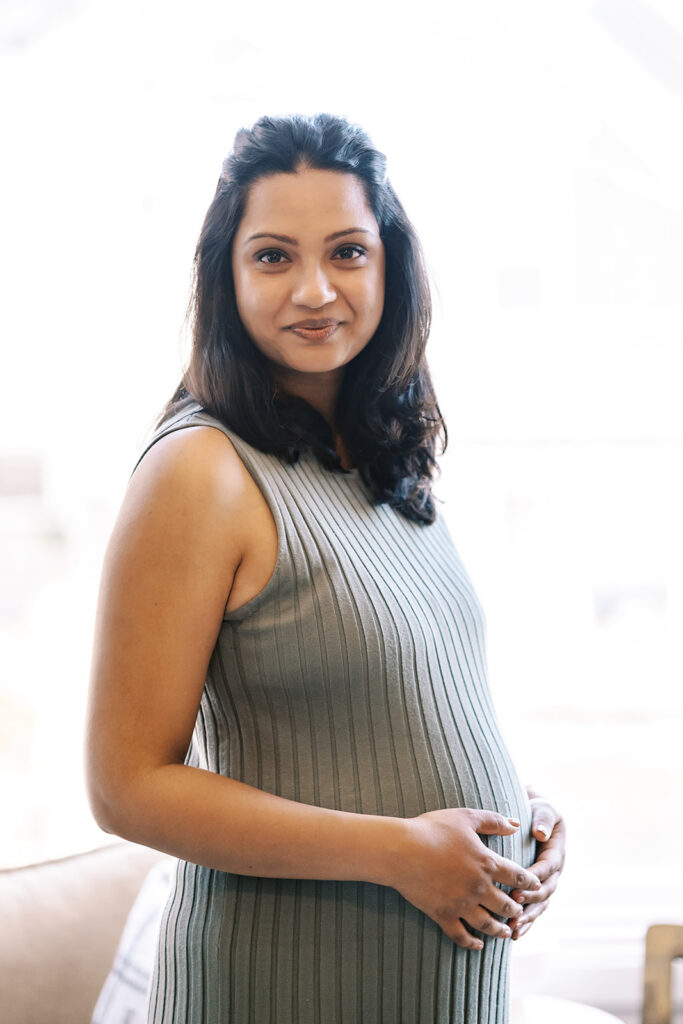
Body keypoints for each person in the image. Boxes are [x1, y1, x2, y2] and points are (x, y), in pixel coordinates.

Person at [84, 112, 566, 1024]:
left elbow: (385, 711)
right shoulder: (201, 472)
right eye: (273, 257)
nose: (315, 289)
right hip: (286, 984)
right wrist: (399, 851)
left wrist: (518, 813)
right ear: (226, 277)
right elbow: (125, 785)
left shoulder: (380, 458)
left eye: (347, 251)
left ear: (390, 267)